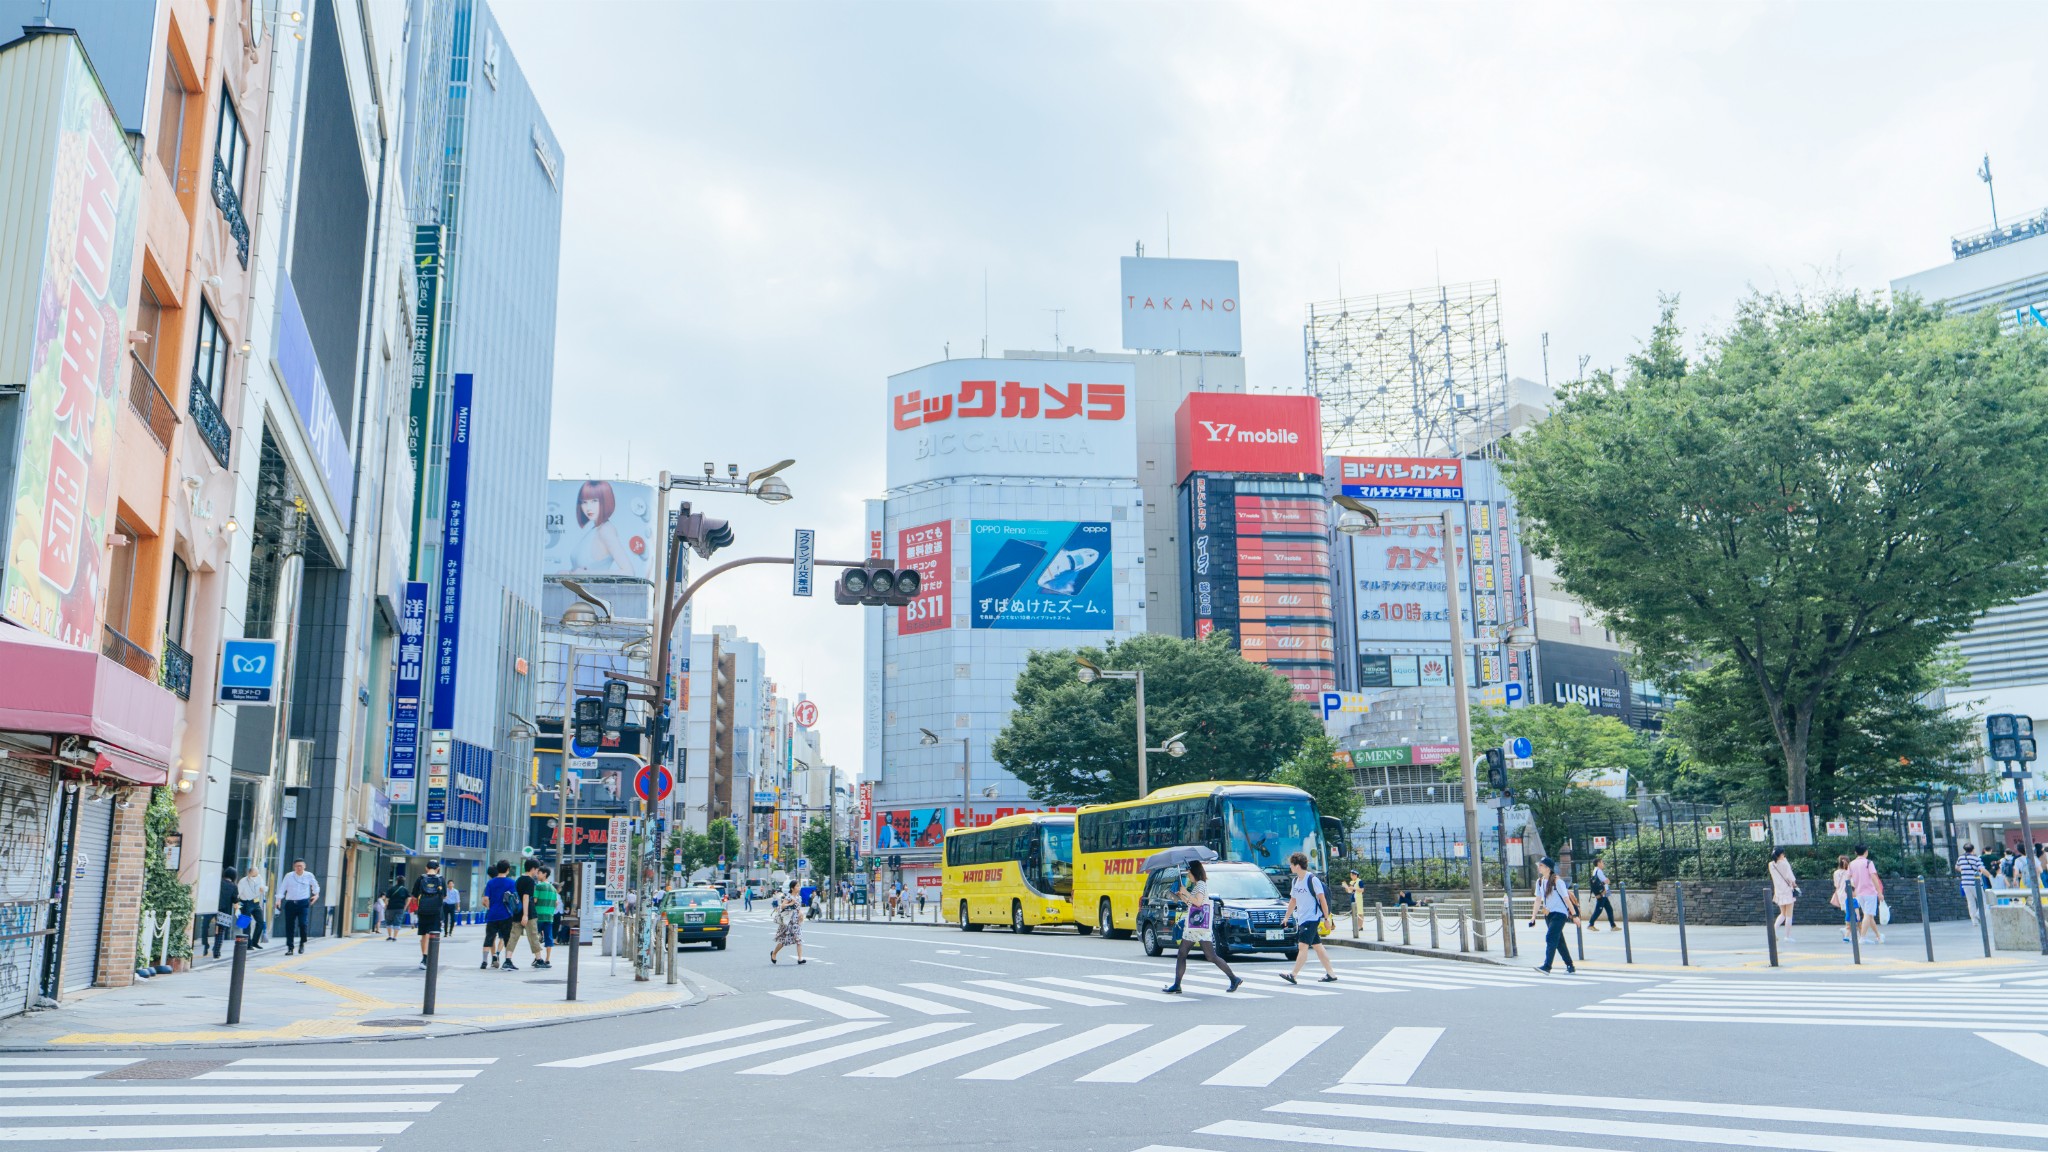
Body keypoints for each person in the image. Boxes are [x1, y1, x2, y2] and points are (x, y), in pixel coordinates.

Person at [1162, 860, 1243, 994]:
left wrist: (1185, 893)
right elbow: (1192, 904)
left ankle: (1177, 984)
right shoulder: (1198, 885)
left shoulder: (1200, 885)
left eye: (1189, 872)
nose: (1188, 875)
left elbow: (1198, 903)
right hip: (1198, 925)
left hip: (1196, 926)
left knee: (1187, 954)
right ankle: (1233, 979)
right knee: (1207, 956)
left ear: (1194, 872)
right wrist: (1181, 896)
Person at [1281, 852, 1337, 985]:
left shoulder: (1312, 879)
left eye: (1291, 865)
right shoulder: (1295, 881)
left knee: (1302, 946)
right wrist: (1286, 918)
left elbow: (1322, 900)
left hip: (1311, 918)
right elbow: (1293, 901)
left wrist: (1326, 918)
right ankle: (1331, 974)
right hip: (1302, 918)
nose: (1290, 867)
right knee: (1318, 946)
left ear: (1297, 866)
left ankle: (1293, 974)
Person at [566, 479, 644, 575]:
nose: (588, 507)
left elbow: (628, 572)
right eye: (584, 502)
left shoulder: (605, 530)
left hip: (592, 589)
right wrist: (568, 573)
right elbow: (582, 569)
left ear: (605, 500)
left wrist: (586, 574)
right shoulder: (595, 529)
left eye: (594, 501)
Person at [1531, 857, 1579, 973]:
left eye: (1541, 865)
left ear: (1548, 868)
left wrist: (1575, 915)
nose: (1539, 867)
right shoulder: (1540, 881)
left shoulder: (1558, 881)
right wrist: (1533, 917)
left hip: (1560, 914)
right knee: (1559, 941)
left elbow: (1566, 899)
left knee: (1551, 937)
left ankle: (1547, 966)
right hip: (1548, 915)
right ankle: (1570, 966)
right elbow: (1538, 900)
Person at [482, 860, 520, 970]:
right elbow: (514, 898)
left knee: (489, 937)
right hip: (506, 915)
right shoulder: (511, 883)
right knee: (507, 938)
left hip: (492, 915)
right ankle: (507, 961)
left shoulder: (490, 883)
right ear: (508, 870)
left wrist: (491, 907)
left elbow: (485, 899)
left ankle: (484, 961)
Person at [276, 859, 319, 956]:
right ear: (294, 867)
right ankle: (290, 947)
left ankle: (302, 943)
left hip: (303, 903)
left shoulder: (309, 875)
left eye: (300, 866)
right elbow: (282, 888)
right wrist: (278, 900)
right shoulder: (289, 876)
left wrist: (316, 895)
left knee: (303, 924)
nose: (298, 868)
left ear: (304, 866)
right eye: (297, 866)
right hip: (290, 903)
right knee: (290, 926)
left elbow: (315, 887)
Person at [509, 860, 547, 969]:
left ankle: (508, 960)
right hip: (528, 913)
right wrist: (525, 915)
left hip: (517, 912)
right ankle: (539, 960)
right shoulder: (530, 881)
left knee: (513, 936)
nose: (537, 872)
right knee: (533, 935)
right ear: (533, 869)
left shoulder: (518, 880)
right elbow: (526, 897)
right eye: (537, 869)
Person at [410, 860, 448, 968]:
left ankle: (424, 959)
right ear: (438, 869)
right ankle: (433, 958)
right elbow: (444, 896)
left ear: (426, 868)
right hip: (436, 911)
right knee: (434, 934)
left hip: (423, 911)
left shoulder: (421, 878)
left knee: (424, 935)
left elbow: (414, 896)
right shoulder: (441, 879)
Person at [1847, 843, 1884, 945]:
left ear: (1855, 852)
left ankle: (1878, 936)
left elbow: (1848, 879)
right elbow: (1874, 878)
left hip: (1859, 893)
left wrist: (1853, 890)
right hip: (1870, 893)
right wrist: (1879, 892)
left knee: (1869, 916)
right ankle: (1862, 937)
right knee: (1868, 915)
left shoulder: (1851, 864)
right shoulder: (1868, 863)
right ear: (1866, 852)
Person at [770, 879, 806, 965]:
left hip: (796, 921)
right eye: (797, 886)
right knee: (783, 941)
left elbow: (798, 908)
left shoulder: (799, 897)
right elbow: (782, 906)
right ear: (792, 888)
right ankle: (774, 953)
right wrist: (790, 903)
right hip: (788, 921)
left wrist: (800, 913)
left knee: (799, 939)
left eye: (799, 885)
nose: (799, 887)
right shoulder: (788, 896)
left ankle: (800, 959)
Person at [532, 864, 561, 969]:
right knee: (549, 938)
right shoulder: (553, 889)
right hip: (549, 917)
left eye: (539, 873)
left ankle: (538, 958)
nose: (537, 875)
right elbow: (556, 903)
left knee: (534, 937)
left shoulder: (538, 886)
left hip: (539, 916)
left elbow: (535, 900)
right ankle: (547, 959)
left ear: (545, 874)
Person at [1767, 847, 1799, 943]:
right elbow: (1791, 877)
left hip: (1778, 892)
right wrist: (1795, 886)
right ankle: (1787, 936)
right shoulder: (1785, 864)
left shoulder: (1771, 865)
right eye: (1783, 854)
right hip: (1787, 891)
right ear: (1781, 855)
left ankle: (1772, 932)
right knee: (1789, 914)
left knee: (1783, 914)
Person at [236, 867, 268, 949]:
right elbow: (238, 894)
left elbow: (264, 887)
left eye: (257, 875)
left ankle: (254, 942)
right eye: (254, 876)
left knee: (261, 922)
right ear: (249, 874)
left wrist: (263, 889)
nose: (256, 877)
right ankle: (247, 944)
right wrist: (237, 906)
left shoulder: (259, 878)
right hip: (245, 902)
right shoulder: (243, 881)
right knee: (246, 924)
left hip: (255, 902)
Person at [212, 867, 238, 959]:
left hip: (214, 909)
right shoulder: (234, 886)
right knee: (220, 932)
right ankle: (217, 951)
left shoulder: (218, 882)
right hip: (225, 911)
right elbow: (235, 900)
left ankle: (209, 948)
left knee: (211, 929)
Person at [1586, 856, 1617, 931]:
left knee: (1609, 909)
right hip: (1602, 893)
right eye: (1602, 862)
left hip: (1604, 893)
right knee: (1598, 910)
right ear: (1598, 863)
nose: (1603, 864)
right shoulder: (1598, 871)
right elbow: (1606, 881)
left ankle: (1613, 926)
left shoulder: (1596, 870)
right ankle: (1590, 924)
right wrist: (1607, 881)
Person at [1956, 844, 1985, 922]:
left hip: (1965, 883)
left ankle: (1974, 921)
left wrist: (1964, 870)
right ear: (1973, 849)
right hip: (1975, 883)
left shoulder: (1960, 858)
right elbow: (1982, 869)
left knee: (1970, 902)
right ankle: (1978, 915)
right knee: (1983, 900)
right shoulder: (1976, 858)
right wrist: (1990, 876)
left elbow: (1957, 867)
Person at [1829, 854, 1855, 941]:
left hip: (1840, 895)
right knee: (1852, 915)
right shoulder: (1849, 872)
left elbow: (1836, 884)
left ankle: (1847, 931)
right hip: (1849, 895)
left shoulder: (1835, 873)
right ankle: (1847, 934)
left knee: (1848, 914)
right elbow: (1853, 883)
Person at [383, 873, 409, 941]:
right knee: (398, 922)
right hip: (400, 908)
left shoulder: (391, 889)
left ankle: (389, 936)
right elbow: (409, 898)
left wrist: (386, 906)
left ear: (396, 881)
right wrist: (405, 906)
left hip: (390, 908)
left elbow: (387, 899)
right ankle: (395, 937)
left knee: (389, 922)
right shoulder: (405, 890)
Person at [1342, 871, 1364, 938]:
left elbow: (1362, 890)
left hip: (1358, 898)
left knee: (1360, 912)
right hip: (1353, 897)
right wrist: (1346, 887)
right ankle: (1355, 925)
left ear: (1355, 875)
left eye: (1352, 875)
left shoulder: (1360, 881)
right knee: (1354, 912)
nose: (1351, 876)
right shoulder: (1351, 882)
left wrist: (1354, 888)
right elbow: (1349, 891)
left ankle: (1360, 926)